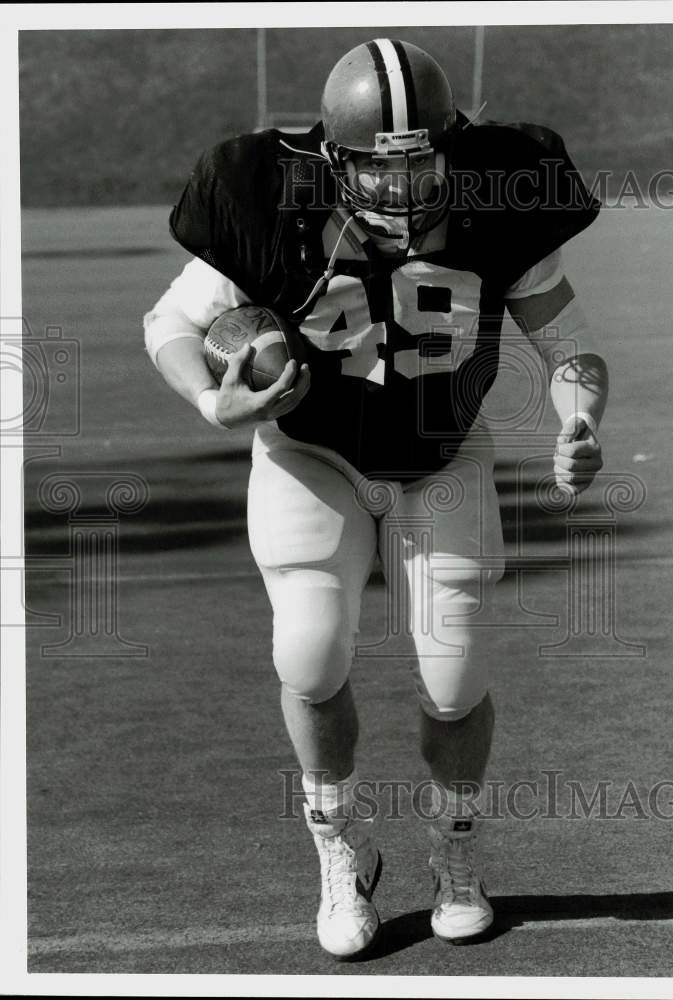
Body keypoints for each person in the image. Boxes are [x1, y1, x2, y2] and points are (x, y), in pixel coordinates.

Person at [144, 38, 607, 959]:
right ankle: (340, 849)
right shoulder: (268, 204)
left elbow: (570, 344)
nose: (405, 186)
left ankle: (455, 849)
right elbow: (171, 322)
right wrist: (210, 395)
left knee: (455, 673)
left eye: (424, 160)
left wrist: (581, 415)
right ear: (332, 159)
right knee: (309, 656)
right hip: (310, 455)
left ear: (452, 147)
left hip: (442, 455)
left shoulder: (495, 199)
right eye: (377, 166)